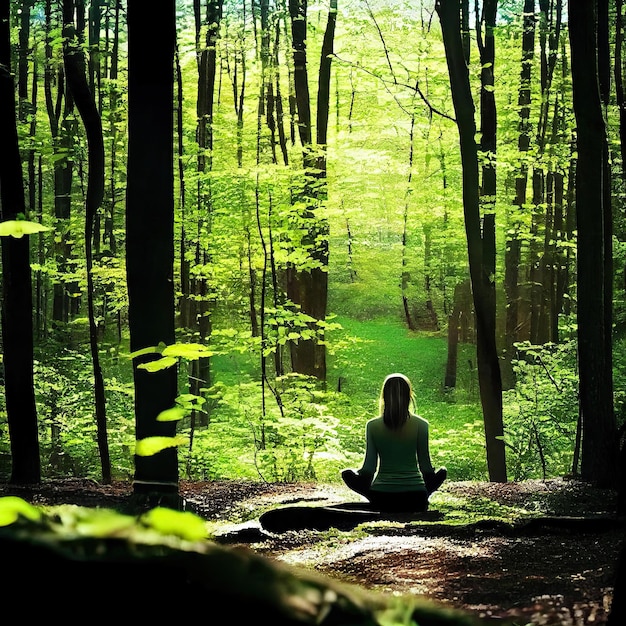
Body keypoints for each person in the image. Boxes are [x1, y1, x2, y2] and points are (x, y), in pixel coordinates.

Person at [341, 373, 447, 513]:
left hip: (382, 498)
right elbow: (426, 468)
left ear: (384, 397)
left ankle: (380, 500)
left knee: (346, 473)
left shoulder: (372, 426)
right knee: (443, 471)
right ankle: (421, 498)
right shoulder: (421, 425)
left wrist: (355, 475)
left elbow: (369, 469)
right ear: (409, 397)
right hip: (416, 498)